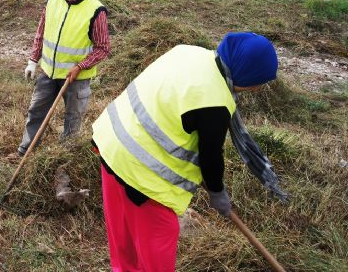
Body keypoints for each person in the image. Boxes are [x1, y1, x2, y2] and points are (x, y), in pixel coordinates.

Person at [92, 32, 280, 272]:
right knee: (158, 242)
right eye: (258, 81)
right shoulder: (214, 102)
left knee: (123, 235)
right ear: (247, 72)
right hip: (141, 173)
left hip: (112, 141)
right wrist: (217, 193)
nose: (256, 89)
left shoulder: (190, 52)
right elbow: (210, 157)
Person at [7, 0, 110, 161]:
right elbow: (41, 30)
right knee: (36, 112)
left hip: (76, 79)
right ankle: (24, 153)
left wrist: (81, 66)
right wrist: (33, 59)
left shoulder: (96, 10)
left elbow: (103, 48)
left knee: (72, 120)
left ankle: (64, 161)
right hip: (48, 73)